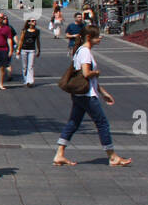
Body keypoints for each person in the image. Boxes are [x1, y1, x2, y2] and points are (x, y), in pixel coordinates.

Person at [52, 26, 131, 168]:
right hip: (87, 96)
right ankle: (112, 156)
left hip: (80, 94)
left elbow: (86, 78)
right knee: (102, 123)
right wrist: (97, 72)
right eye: (97, 36)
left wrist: (103, 92)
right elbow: (87, 74)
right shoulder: (85, 52)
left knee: (73, 123)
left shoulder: (79, 51)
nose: (100, 38)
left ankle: (59, 154)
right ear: (89, 37)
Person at [15, 17, 41, 87]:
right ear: (29, 22)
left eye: (35, 21)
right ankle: (26, 79)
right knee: (24, 66)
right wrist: (18, 50)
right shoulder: (24, 30)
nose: (34, 22)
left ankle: (30, 80)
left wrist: (39, 50)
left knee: (31, 66)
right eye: (32, 21)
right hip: (24, 49)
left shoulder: (37, 31)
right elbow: (21, 40)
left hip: (32, 50)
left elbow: (38, 41)